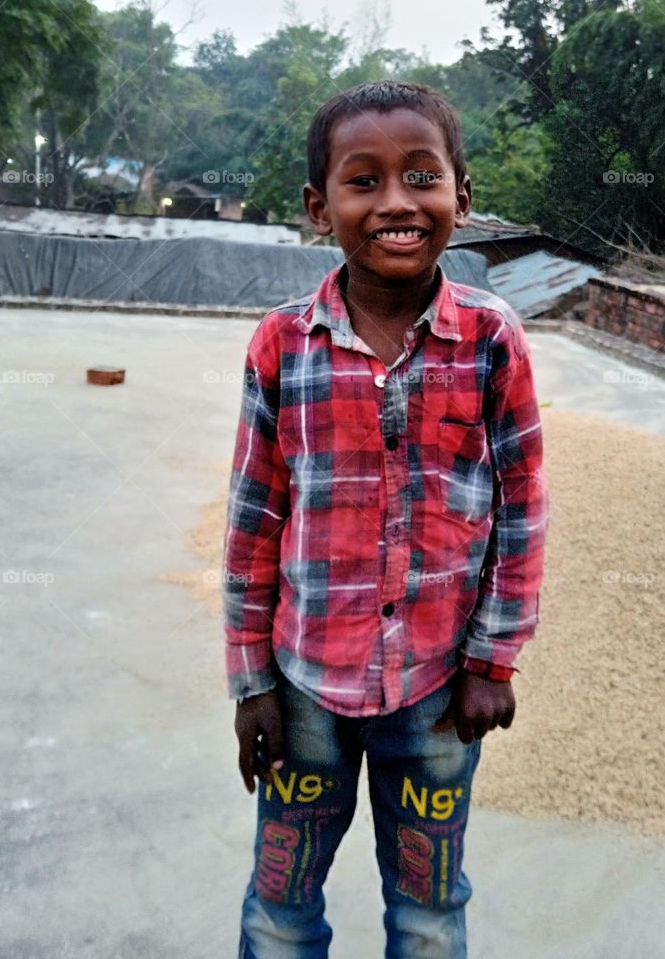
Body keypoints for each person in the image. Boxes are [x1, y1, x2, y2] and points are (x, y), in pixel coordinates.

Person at [222, 79, 549, 958]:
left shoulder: (491, 339)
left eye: (422, 175)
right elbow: (255, 519)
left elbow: (521, 508)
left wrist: (494, 658)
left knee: (430, 911)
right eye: (363, 181)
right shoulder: (281, 345)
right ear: (317, 206)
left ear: (462, 197)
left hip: (438, 694)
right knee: (280, 905)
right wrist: (251, 680)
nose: (397, 202)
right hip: (305, 691)